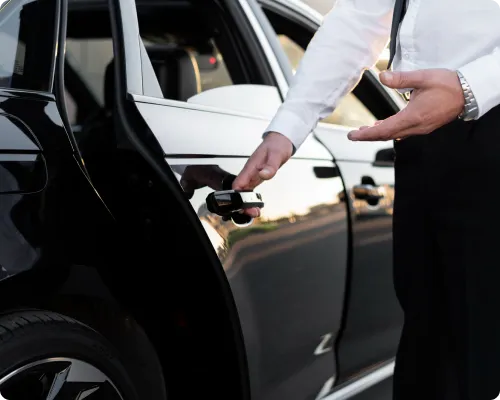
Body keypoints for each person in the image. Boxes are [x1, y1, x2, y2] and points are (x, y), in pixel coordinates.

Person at [233, 0, 500, 399]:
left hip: (490, 121)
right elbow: (357, 22)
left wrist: (470, 85)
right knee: (428, 346)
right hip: (423, 139)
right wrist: (287, 129)